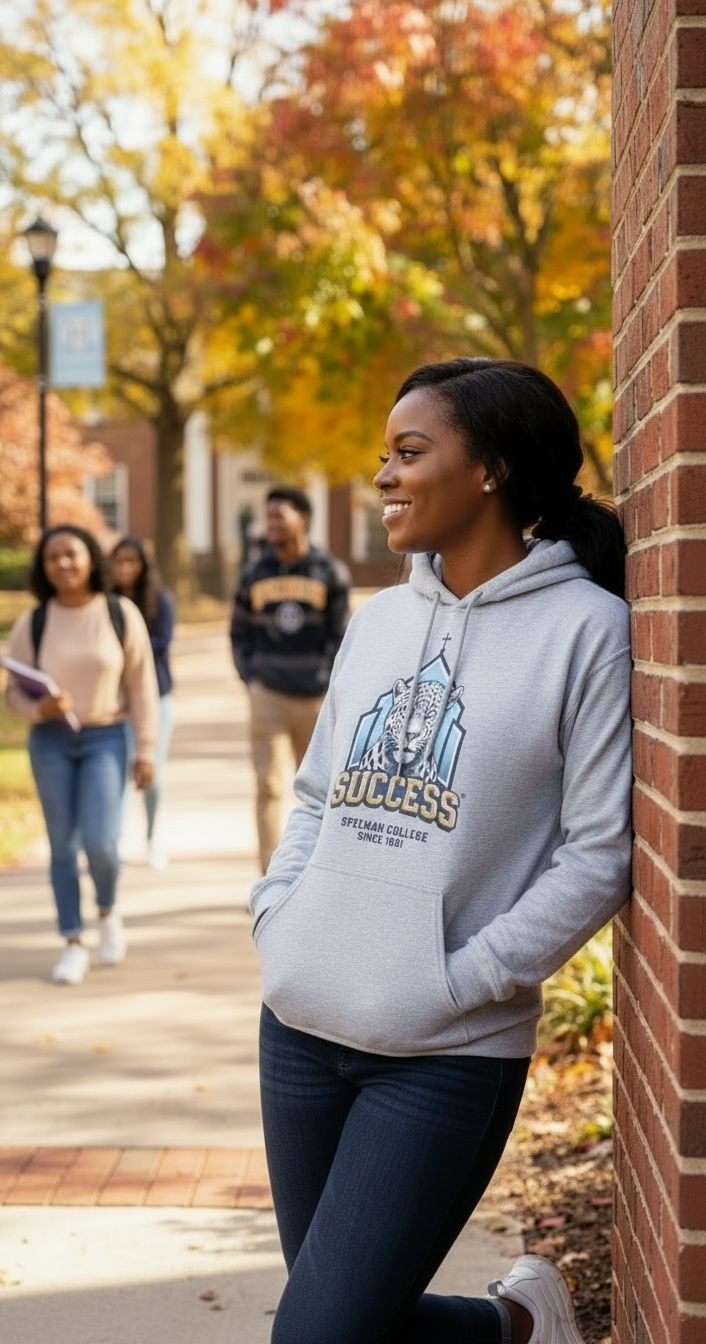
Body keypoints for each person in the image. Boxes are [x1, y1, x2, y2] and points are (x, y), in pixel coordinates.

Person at [249, 359, 632, 1344]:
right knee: (348, 1321)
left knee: (320, 1334)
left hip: (444, 1052)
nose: (383, 475)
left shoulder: (587, 632)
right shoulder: (379, 620)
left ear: (492, 468)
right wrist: (279, 917)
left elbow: (598, 854)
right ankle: (517, 1325)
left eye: (409, 452)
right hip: (299, 1025)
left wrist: (466, 980)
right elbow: (317, 795)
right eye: (385, 453)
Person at [5, 525, 158, 986]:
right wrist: (39, 709)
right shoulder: (34, 622)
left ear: (91, 558)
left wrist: (146, 750)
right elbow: (13, 691)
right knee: (62, 847)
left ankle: (107, 909)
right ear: (43, 567)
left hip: (106, 738)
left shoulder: (119, 613)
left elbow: (142, 686)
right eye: (52, 557)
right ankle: (72, 941)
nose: (62, 564)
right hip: (50, 740)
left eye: (71, 554)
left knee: (102, 844)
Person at [230, 485, 351, 874]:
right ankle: (270, 875)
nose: (271, 524)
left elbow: (342, 636)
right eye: (268, 517)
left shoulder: (329, 571)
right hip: (268, 695)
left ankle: (315, 875)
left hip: (315, 699)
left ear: (304, 519)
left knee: (320, 790)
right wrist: (252, 678)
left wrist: (327, 680)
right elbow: (239, 632)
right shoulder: (253, 573)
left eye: (279, 516)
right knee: (268, 786)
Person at [110, 535, 176, 869]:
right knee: (118, 773)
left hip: (155, 698)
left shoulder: (161, 600)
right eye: (119, 561)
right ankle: (115, 843)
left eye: (132, 561)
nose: (125, 568)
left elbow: (159, 643)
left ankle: (151, 839)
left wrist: (121, 649)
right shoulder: (104, 601)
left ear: (143, 565)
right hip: (116, 700)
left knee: (151, 773)